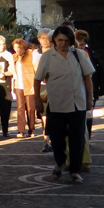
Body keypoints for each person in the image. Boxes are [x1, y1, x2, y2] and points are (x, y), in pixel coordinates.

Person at [33, 25, 95, 184]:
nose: (63, 43)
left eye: (67, 41)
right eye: (60, 40)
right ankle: (60, 161)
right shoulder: (47, 56)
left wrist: (89, 98)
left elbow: (87, 78)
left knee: (77, 139)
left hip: (77, 103)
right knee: (57, 137)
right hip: (56, 103)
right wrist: (37, 100)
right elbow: (37, 79)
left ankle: (74, 170)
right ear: (54, 40)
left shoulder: (79, 55)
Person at [74, 29, 104, 139]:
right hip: (77, 88)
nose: (81, 47)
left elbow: (99, 71)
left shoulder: (92, 54)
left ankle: (87, 136)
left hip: (91, 88)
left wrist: (102, 87)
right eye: (79, 45)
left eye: (83, 44)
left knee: (89, 113)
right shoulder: (72, 55)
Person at [11, 38, 38, 138]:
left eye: (19, 48)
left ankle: (32, 129)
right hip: (18, 85)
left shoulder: (30, 56)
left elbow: (35, 69)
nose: (17, 50)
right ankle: (21, 130)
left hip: (29, 84)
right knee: (20, 108)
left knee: (31, 108)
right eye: (15, 48)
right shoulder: (13, 57)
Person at [33, 29, 54, 152]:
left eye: (48, 39)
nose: (45, 41)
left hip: (54, 86)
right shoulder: (36, 53)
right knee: (44, 116)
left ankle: (54, 140)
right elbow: (36, 70)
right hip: (41, 86)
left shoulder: (56, 52)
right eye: (43, 38)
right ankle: (46, 141)